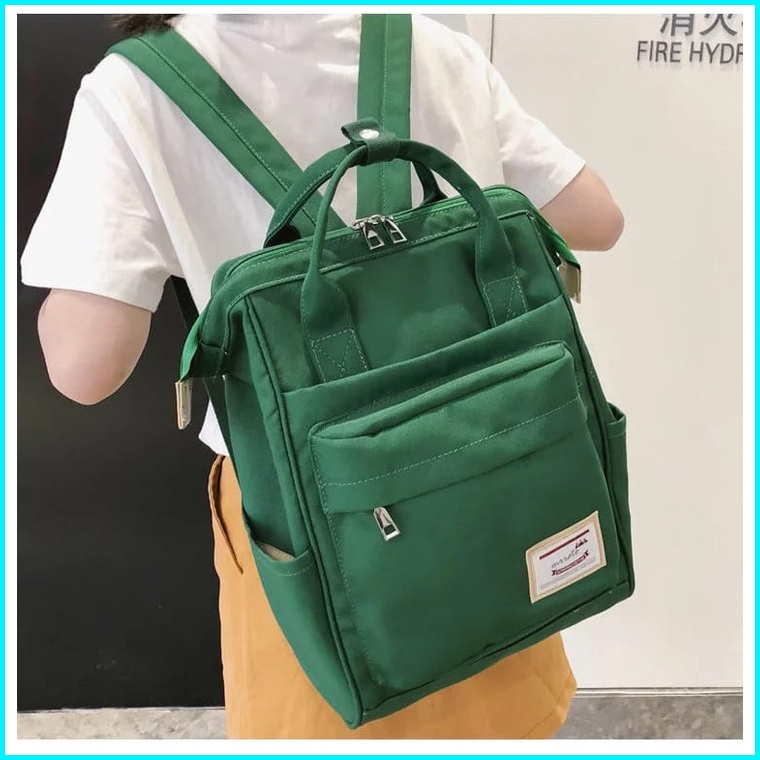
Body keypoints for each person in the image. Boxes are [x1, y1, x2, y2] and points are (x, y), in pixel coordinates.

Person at [20, 13, 624, 739]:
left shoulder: (136, 89)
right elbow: (598, 220)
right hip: (497, 466)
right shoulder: (430, 45)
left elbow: (85, 370)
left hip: (310, 511)